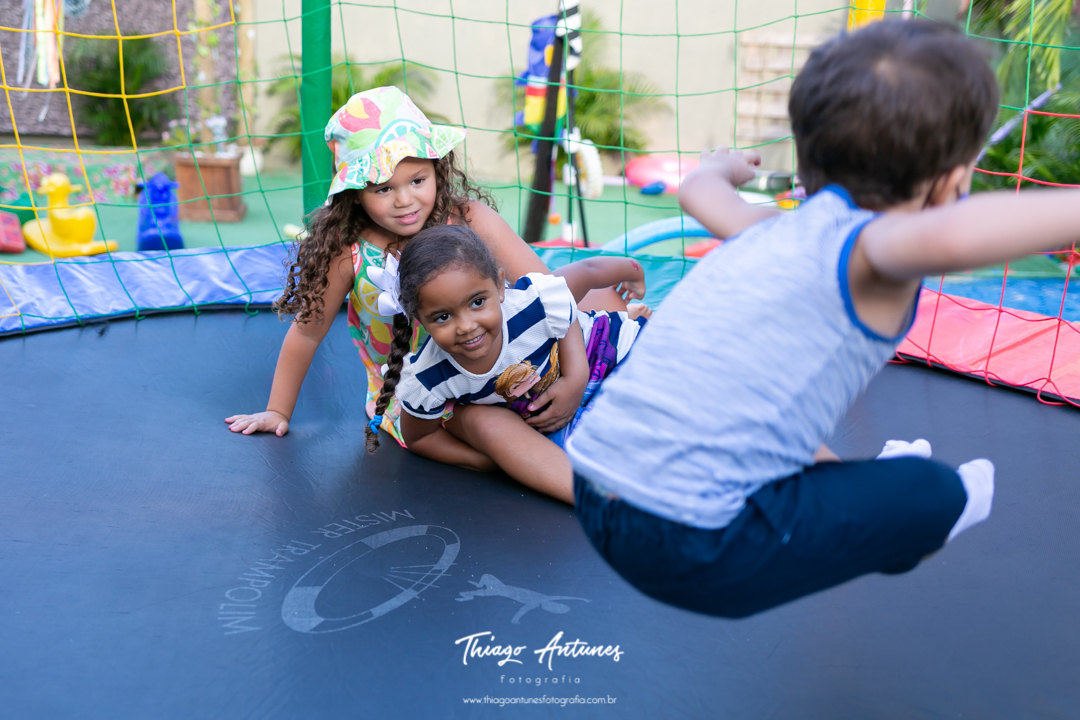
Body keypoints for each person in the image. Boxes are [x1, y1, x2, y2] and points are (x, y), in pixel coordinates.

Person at [565, 19, 1080, 618]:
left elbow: (698, 190)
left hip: (592, 487)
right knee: (935, 493)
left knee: (774, 404)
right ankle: (920, 512)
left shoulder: (768, 228)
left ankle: (865, 491)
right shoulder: (872, 251)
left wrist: (723, 168)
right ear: (951, 184)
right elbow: (952, 237)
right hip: (692, 544)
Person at [225, 86, 645, 454]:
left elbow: (545, 290)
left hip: (503, 366)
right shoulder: (349, 253)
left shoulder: (467, 218)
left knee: (600, 298)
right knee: (492, 428)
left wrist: (575, 377)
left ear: (436, 170)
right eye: (383, 188)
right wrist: (277, 410)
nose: (404, 200)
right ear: (356, 194)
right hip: (427, 401)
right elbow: (307, 332)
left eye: (417, 180)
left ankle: (629, 331)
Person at [366, 223, 648, 504]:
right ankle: (610, 502)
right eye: (443, 317)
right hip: (554, 416)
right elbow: (420, 438)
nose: (467, 326)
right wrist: (486, 460)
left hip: (611, 354)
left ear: (500, 286)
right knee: (613, 451)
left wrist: (633, 272)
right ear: (419, 318)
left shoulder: (531, 303)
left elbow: (587, 273)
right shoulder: (429, 377)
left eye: (477, 302)